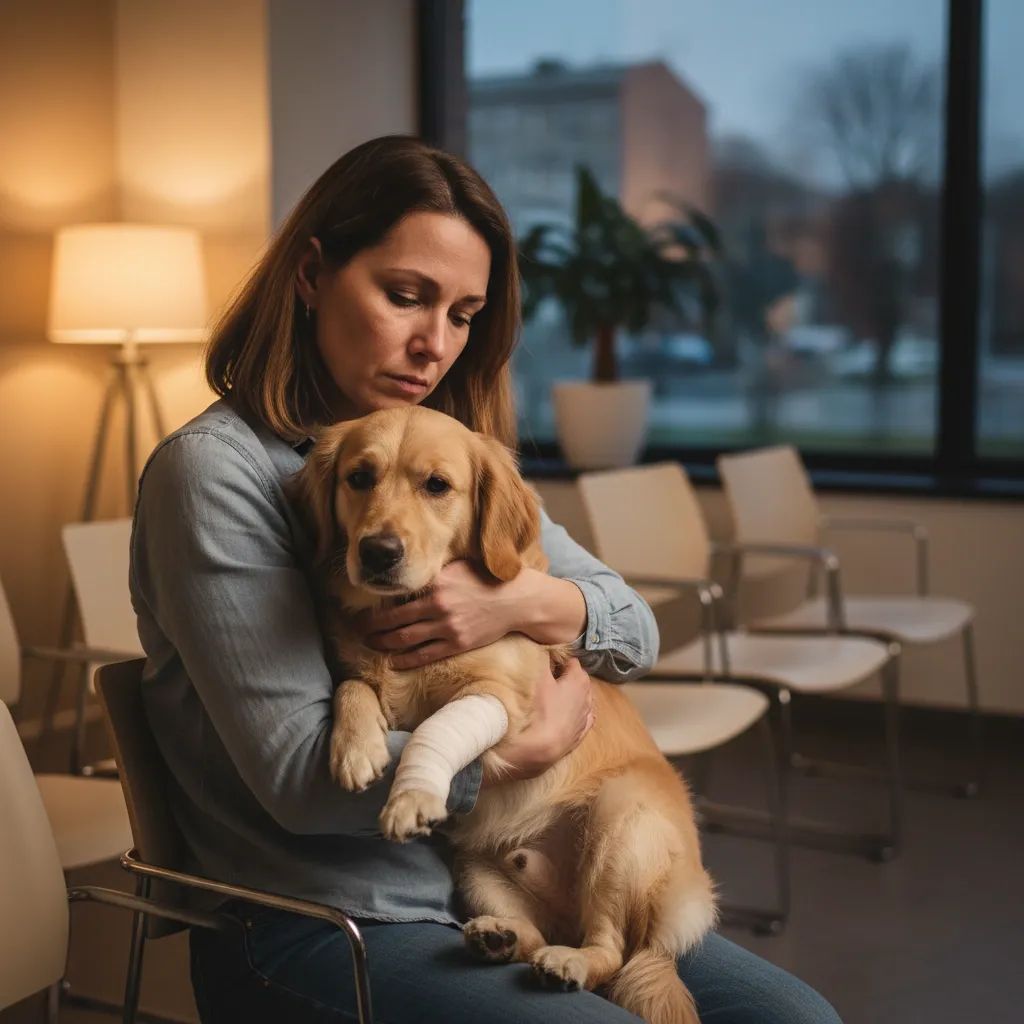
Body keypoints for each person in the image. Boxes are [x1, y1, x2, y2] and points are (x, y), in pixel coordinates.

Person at [131, 135, 842, 1024]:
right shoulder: (216, 474)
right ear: (312, 275)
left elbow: (633, 632)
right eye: (405, 296)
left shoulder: (452, 456)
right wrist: (521, 750)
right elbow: (299, 783)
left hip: (499, 885)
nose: (435, 344)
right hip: (324, 918)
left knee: (798, 1020)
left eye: (463, 314)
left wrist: (519, 600)